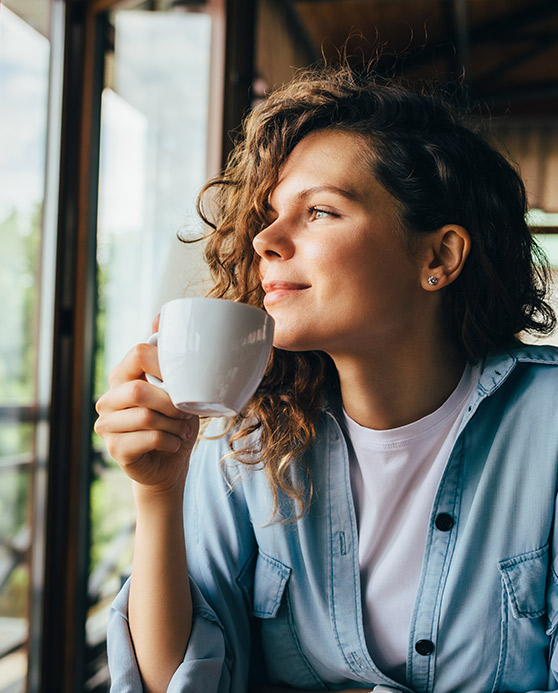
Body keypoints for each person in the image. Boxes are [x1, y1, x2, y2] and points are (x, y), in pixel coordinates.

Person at [94, 62, 558, 693]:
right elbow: (174, 683)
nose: (266, 241)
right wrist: (156, 494)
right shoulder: (248, 438)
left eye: (320, 211)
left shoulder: (548, 425)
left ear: (439, 256)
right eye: (270, 214)